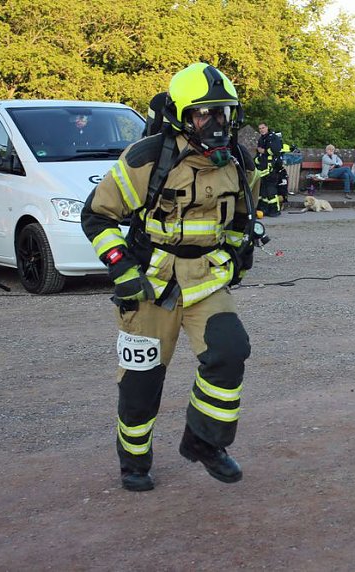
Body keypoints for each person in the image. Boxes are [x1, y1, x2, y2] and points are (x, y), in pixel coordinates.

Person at [80, 62, 259, 492]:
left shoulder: (237, 161)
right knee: (141, 385)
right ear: (182, 115)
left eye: (224, 112)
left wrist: (235, 255)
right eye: (204, 113)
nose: (217, 123)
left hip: (204, 280)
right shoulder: (147, 158)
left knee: (230, 352)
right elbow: (96, 215)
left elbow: (241, 220)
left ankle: (204, 442)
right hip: (149, 283)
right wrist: (121, 267)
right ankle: (134, 461)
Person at [255, 123, 284, 216]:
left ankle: (275, 210)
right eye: (260, 128)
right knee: (263, 191)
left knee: (271, 190)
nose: (261, 130)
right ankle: (264, 209)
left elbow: (276, 149)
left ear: (267, 127)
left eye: (263, 128)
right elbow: (258, 154)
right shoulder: (261, 139)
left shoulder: (273, 137)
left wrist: (264, 151)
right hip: (262, 169)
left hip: (272, 169)